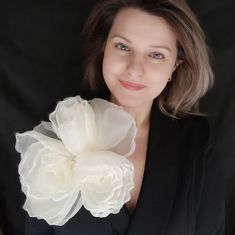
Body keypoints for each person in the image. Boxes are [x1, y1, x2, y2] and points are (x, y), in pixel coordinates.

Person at [20, 0, 224, 234]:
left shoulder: (196, 140)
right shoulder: (61, 130)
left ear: (175, 65)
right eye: (123, 47)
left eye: (156, 55)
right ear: (104, 47)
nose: (135, 68)